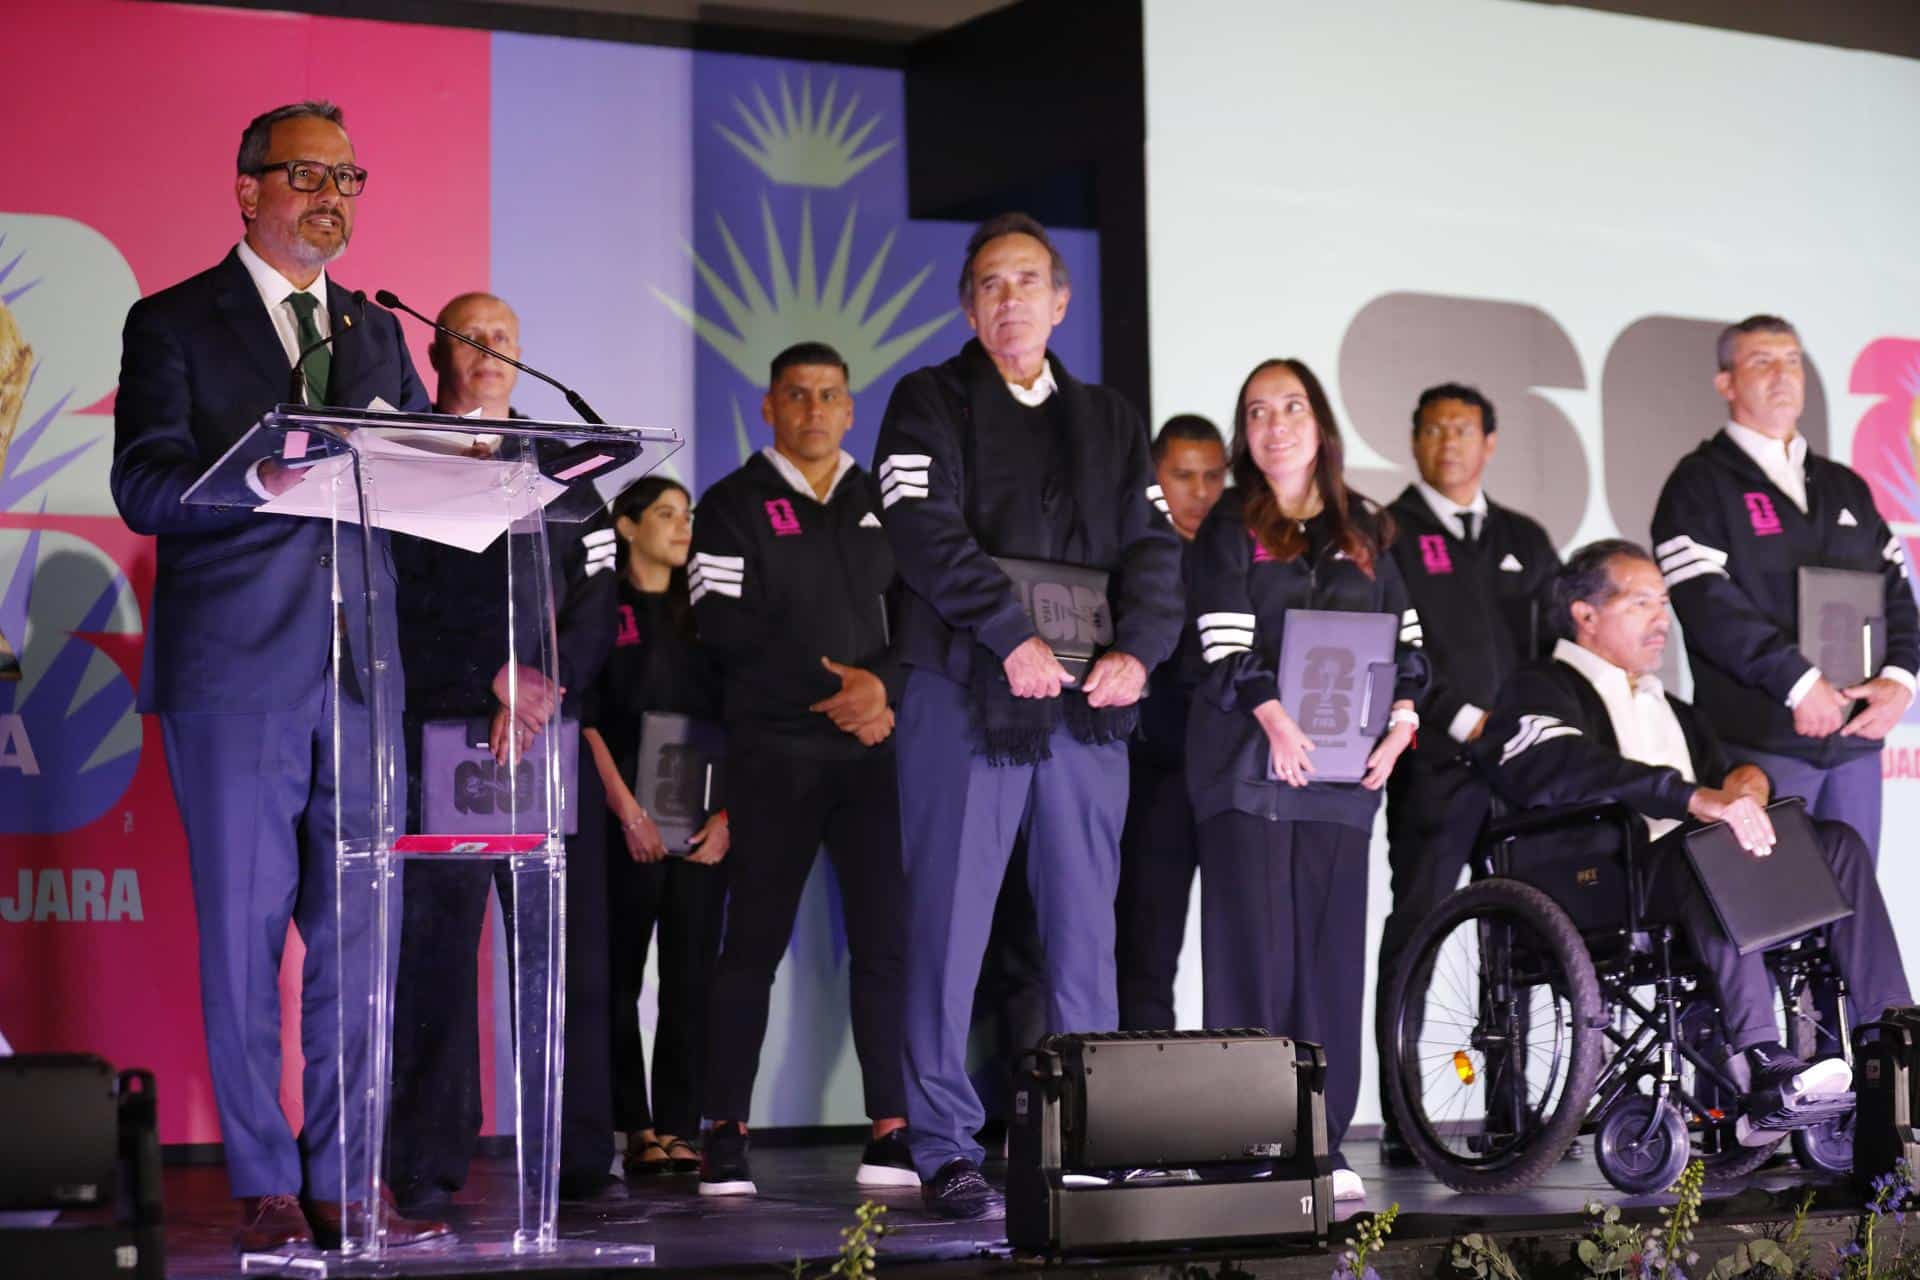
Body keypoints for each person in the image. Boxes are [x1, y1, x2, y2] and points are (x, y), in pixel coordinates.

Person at [109, 101, 445, 1251]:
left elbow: (415, 483)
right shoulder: (173, 322)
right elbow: (146, 488)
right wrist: (261, 474)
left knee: (360, 941)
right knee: (243, 941)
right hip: (237, 679)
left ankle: (351, 1180)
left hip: (365, 678)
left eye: (346, 174)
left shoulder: (374, 329)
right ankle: (263, 1176)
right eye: (304, 174)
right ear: (246, 188)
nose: (330, 194)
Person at [875, 213, 1183, 1219]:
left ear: (1060, 300)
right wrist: (1010, 633)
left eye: (1027, 281)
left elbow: (1150, 547)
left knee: (1084, 929)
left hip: (1084, 704)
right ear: (970, 305)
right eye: (990, 284)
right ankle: (944, 1142)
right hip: (964, 686)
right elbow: (922, 530)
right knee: (948, 923)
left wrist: (1141, 648)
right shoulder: (929, 399)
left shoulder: (1108, 418)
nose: (1010, 299)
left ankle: (1090, 1136)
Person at [1482, 541, 1911, 1142]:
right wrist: (1690, 798)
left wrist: (1744, 789)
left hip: (1694, 870)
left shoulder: (1675, 708)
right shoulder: (1540, 688)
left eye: (1664, 602)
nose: (1663, 619)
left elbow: (1732, 773)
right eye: (1642, 603)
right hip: (1602, 876)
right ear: (1585, 614)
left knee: (1835, 843)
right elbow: (1560, 764)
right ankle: (1765, 1060)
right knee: (1706, 845)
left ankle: (1892, 1039)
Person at [384, 290, 625, 1211]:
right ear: (438, 355)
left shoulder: (564, 466)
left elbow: (598, 593)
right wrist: (494, 678)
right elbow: (399, 598)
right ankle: (428, 1167)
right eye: (471, 339)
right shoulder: (406, 461)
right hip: (447, 729)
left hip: (545, 736)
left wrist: (542, 692)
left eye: (506, 340)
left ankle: (577, 1156)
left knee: (562, 955)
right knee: (437, 959)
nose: (490, 351)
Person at [1185, 358, 1426, 1203]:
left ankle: (1322, 1142)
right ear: (1244, 434)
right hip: (1247, 770)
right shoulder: (1227, 522)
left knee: (1328, 959)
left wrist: (1400, 728)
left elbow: (1410, 645)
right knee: (1253, 954)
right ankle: (1248, 1140)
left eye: (1291, 407)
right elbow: (1220, 642)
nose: (1275, 424)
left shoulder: (1368, 526)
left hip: (1342, 780)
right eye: (1257, 412)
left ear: (1319, 423)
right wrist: (1277, 720)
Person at [690, 341, 915, 1197]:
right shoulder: (730, 504)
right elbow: (725, 629)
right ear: (769, 409)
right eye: (796, 395)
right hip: (774, 753)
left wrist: (882, 691)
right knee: (750, 946)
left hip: (875, 754)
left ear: (850, 410)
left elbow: (918, 621)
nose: (814, 409)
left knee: (884, 945)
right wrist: (843, 692)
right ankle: (723, 1132)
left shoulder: (882, 503)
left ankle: (892, 1127)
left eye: (829, 395)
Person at [1652, 316, 1920, 861]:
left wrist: (1900, 679)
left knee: (1852, 913)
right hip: (1759, 744)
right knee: (1770, 918)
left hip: (1854, 745)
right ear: (1726, 383)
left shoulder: (1845, 485)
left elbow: (1895, 589)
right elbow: (1708, 605)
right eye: (1761, 362)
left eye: (1792, 361)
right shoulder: (1699, 484)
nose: (1782, 376)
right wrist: (1798, 682)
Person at [1373, 383, 1559, 1164]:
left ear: (1490, 442)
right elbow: (1389, 644)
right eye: (1434, 429)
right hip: (1434, 767)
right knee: (1417, 922)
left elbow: (1553, 654)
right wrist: (1459, 719)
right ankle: (1404, 1110)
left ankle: (1515, 1109)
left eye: (1464, 429)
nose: (1450, 442)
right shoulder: (1386, 531)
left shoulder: (1524, 536)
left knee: (1522, 931)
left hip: (1516, 774)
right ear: (1414, 442)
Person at [582, 476, 729, 1179]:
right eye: (666, 514)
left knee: (692, 977)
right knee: (617, 978)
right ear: (625, 525)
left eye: (687, 515)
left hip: (701, 825)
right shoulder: (599, 605)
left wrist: (728, 815)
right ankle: (632, 1126)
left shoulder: (706, 612)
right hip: (626, 822)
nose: (682, 526)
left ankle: (677, 1125)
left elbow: (740, 719)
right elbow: (582, 717)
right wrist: (626, 810)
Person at [1115, 413, 1228, 1031]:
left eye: (1213, 475)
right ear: (1155, 475)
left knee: (1242, 946)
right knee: (1146, 945)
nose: (1201, 491)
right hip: (1152, 776)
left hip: (1232, 778)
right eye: (1183, 476)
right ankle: (1143, 1100)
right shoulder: (1131, 551)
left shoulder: (1239, 553)